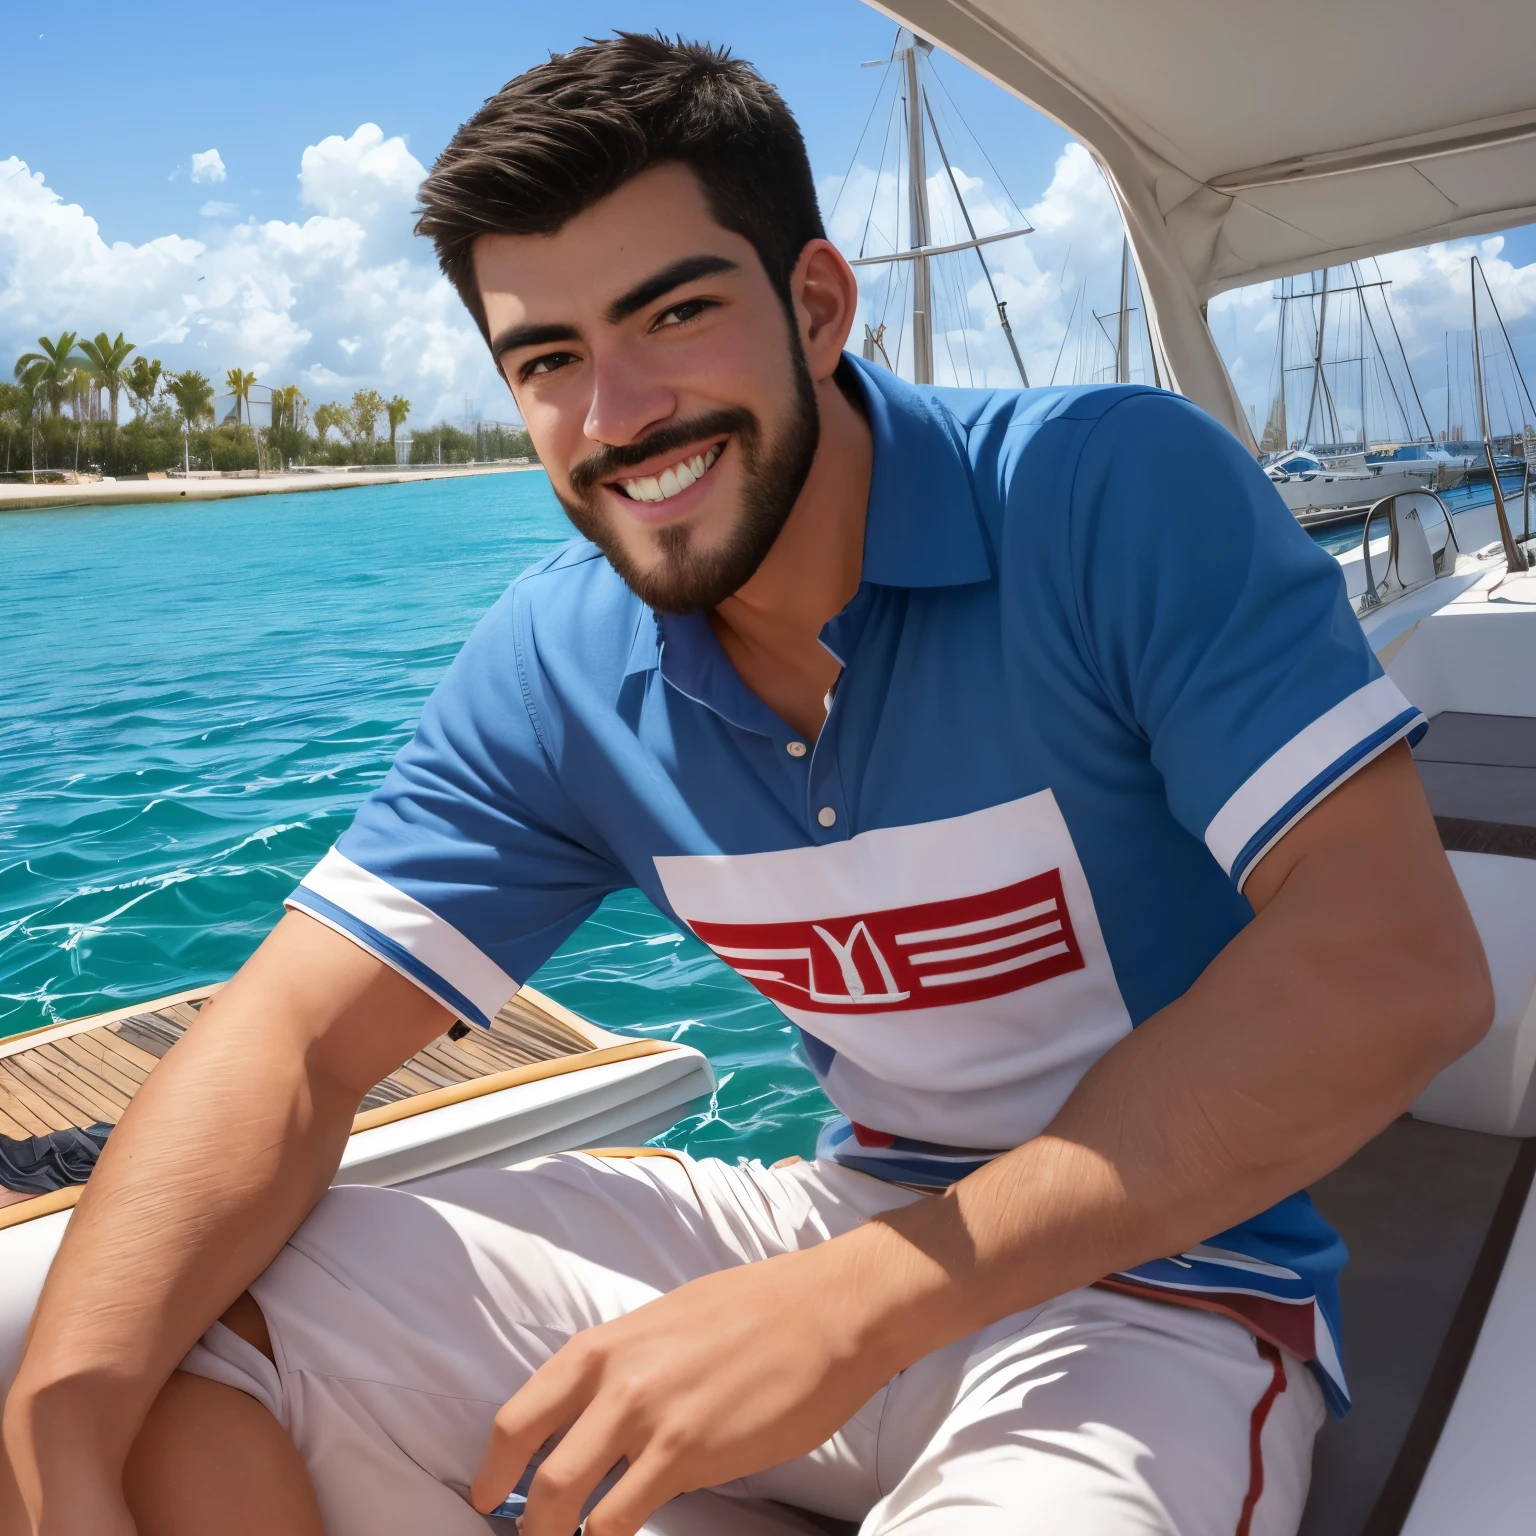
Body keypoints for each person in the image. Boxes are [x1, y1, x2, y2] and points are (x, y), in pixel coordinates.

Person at [2, 33, 1491, 1536]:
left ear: (819, 306)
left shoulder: (1104, 495)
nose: (618, 411)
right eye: (549, 361)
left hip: (1161, 1294)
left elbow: (1394, 971)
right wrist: (59, 1446)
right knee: (156, 1359)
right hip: (839, 1223)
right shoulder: (559, 666)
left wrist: (860, 1307)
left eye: (675, 315)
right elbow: (290, 1046)